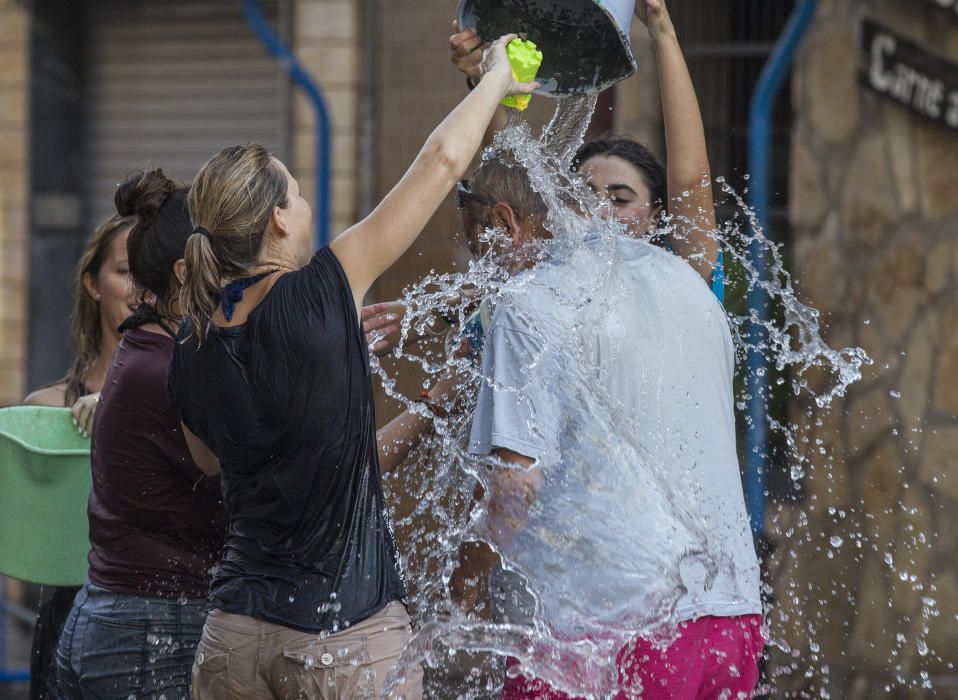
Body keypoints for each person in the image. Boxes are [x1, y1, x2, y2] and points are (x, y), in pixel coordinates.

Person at [166, 35, 536, 700]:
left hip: (231, 641)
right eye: (299, 196)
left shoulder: (190, 341)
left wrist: (325, 370)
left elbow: (212, 459)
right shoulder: (321, 287)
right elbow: (441, 162)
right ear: (278, 219)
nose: (307, 208)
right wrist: (496, 76)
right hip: (342, 640)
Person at [53, 170, 231, 700]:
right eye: (218, 261)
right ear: (184, 271)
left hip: (115, 618)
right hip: (149, 631)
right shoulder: (167, 369)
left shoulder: (144, 347)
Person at [450, 0, 724, 301]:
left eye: (620, 199)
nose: (598, 210)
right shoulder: (541, 281)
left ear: (655, 219)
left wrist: (662, 32)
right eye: (583, 193)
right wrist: (484, 80)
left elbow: (689, 183)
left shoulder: (679, 282)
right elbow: (509, 163)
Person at [22, 213, 136, 700]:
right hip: (66, 618)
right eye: (126, 270)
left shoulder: (190, 401)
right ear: (93, 284)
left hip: (156, 619)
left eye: (151, 273)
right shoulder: (44, 411)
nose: (139, 288)